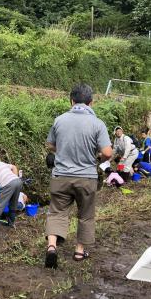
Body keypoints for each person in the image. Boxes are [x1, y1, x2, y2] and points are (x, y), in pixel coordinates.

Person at [45, 83, 113, 268]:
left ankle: (51, 246)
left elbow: (50, 145)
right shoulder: (98, 123)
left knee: (57, 212)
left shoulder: (59, 120)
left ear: (71, 101)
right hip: (86, 177)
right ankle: (79, 251)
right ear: (91, 102)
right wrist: (95, 155)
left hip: (61, 176)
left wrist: (63, 150)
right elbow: (107, 152)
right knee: (85, 215)